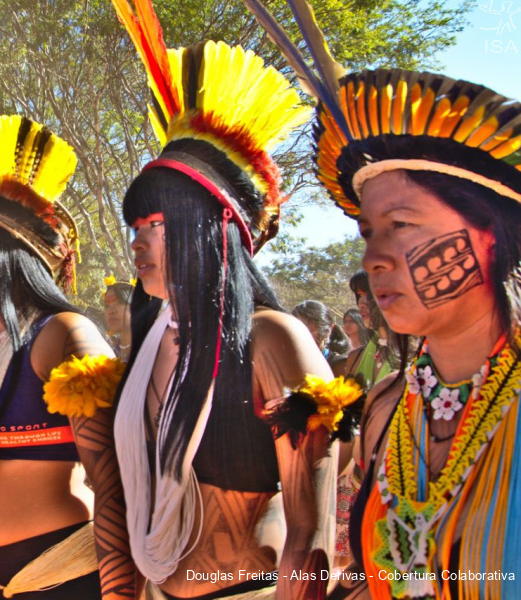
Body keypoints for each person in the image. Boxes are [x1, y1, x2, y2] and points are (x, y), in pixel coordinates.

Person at [245, 0, 521, 596]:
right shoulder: (388, 409)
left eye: (402, 224)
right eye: (367, 232)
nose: (374, 258)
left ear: (491, 235)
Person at [111, 1, 344, 597]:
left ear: (211, 229)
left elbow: (309, 535)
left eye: (155, 224)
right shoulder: (154, 340)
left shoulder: (273, 340)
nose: (137, 242)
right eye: (134, 226)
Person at [0, 4, 132, 598]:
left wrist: (119, 591)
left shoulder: (64, 334)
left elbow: (108, 481)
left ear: (13, 262)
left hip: (71, 573)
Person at [292, 300, 351, 376]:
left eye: (306, 331)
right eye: (294, 329)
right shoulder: (286, 363)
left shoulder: (340, 366)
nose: (298, 335)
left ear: (327, 332)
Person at [103, 276, 134, 362]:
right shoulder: (109, 353)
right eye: (106, 306)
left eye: (119, 303)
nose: (110, 311)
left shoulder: (150, 347)